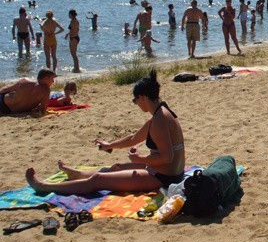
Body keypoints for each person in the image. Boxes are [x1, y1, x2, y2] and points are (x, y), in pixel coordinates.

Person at [25, 69, 186, 195]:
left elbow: (167, 157)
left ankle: (43, 187)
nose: (136, 104)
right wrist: (109, 145)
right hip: (166, 171)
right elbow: (134, 138)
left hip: (163, 178)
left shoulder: (160, 119)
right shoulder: (160, 113)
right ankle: (78, 175)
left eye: (135, 100)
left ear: (142, 97)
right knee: (116, 167)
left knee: (97, 180)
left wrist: (140, 158)